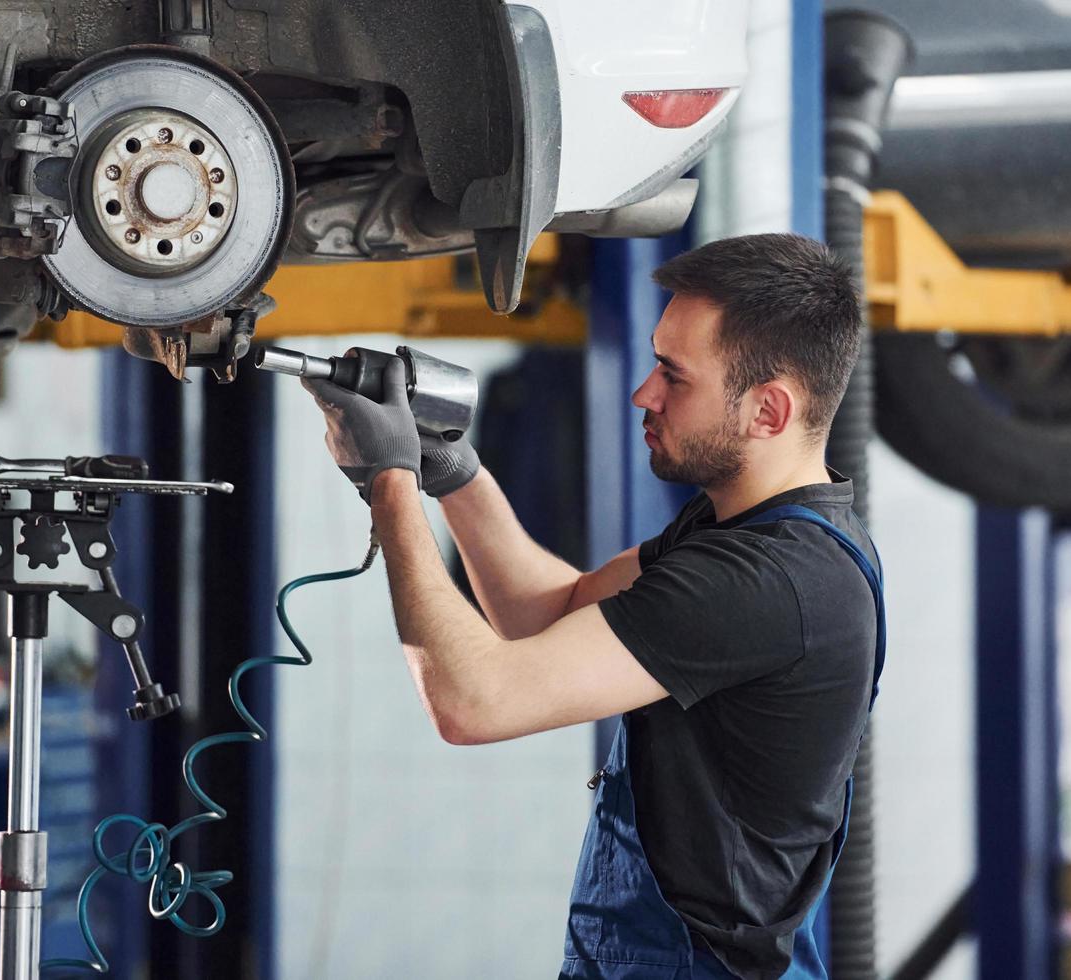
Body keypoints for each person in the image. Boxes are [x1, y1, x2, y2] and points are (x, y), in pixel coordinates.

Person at [302, 233, 884, 980]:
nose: (645, 393)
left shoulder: (765, 582)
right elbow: (553, 610)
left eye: (675, 377)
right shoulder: (762, 528)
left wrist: (389, 482)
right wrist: (450, 470)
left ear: (768, 410)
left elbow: (472, 703)